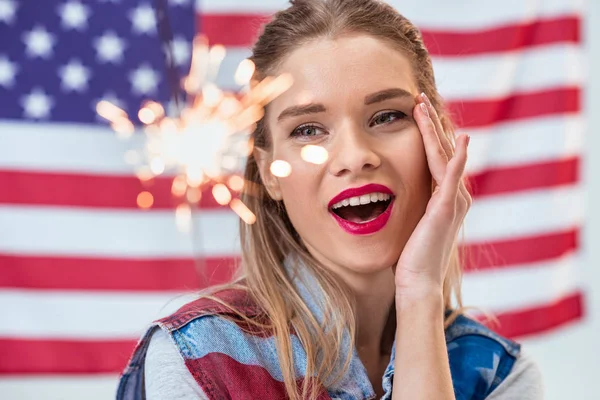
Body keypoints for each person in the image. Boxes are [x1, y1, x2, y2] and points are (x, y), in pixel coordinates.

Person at [117, 0, 544, 399]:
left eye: (387, 116)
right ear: (269, 172)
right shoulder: (196, 361)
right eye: (307, 129)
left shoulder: (500, 376)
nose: (356, 156)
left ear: (438, 142)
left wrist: (420, 294)